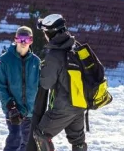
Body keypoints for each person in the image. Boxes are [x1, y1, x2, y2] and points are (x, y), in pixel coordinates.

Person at [32, 14, 86, 151]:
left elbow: (46, 83)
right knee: (78, 141)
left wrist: (42, 69)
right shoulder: (76, 47)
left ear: (50, 33)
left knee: (41, 135)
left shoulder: (54, 56)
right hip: (80, 104)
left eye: (45, 32)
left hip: (63, 108)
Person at [0, 26, 41, 151]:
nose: (23, 43)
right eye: (20, 39)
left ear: (31, 41)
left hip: (31, 111)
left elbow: (41, 86)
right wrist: (10, 106)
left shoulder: (36, 62)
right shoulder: (4, 60)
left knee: (28, 144)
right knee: (15, 140)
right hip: (13, 110)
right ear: (15, 39)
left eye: (26, 39)